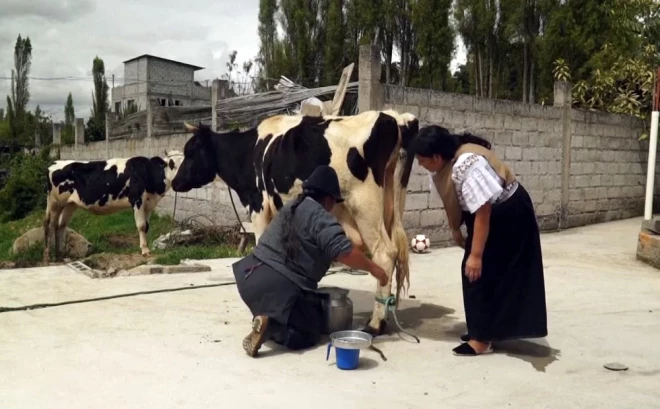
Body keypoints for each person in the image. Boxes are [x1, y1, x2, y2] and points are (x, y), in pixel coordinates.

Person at [408, 125, 548, 356]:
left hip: (508, 214)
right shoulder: (445, 166)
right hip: (493, 213)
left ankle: (481, 340)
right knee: (487, 275)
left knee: (475, 271)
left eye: (422, 160)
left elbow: (483, 211)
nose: (420, 165)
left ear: (436, 156)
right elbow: (454, 202)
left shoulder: (467, 165)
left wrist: (476, 255)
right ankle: (484, 330)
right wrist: (455, 230)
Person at [231, 165, 389, 358]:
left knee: (310, 305)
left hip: (249, 278)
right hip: (275, 284)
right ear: (329, 198)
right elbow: (345, 252)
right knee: (309, 332)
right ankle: (273, 326)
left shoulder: (292, 206)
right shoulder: (319, 216)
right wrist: (375, 269)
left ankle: (265, 318)